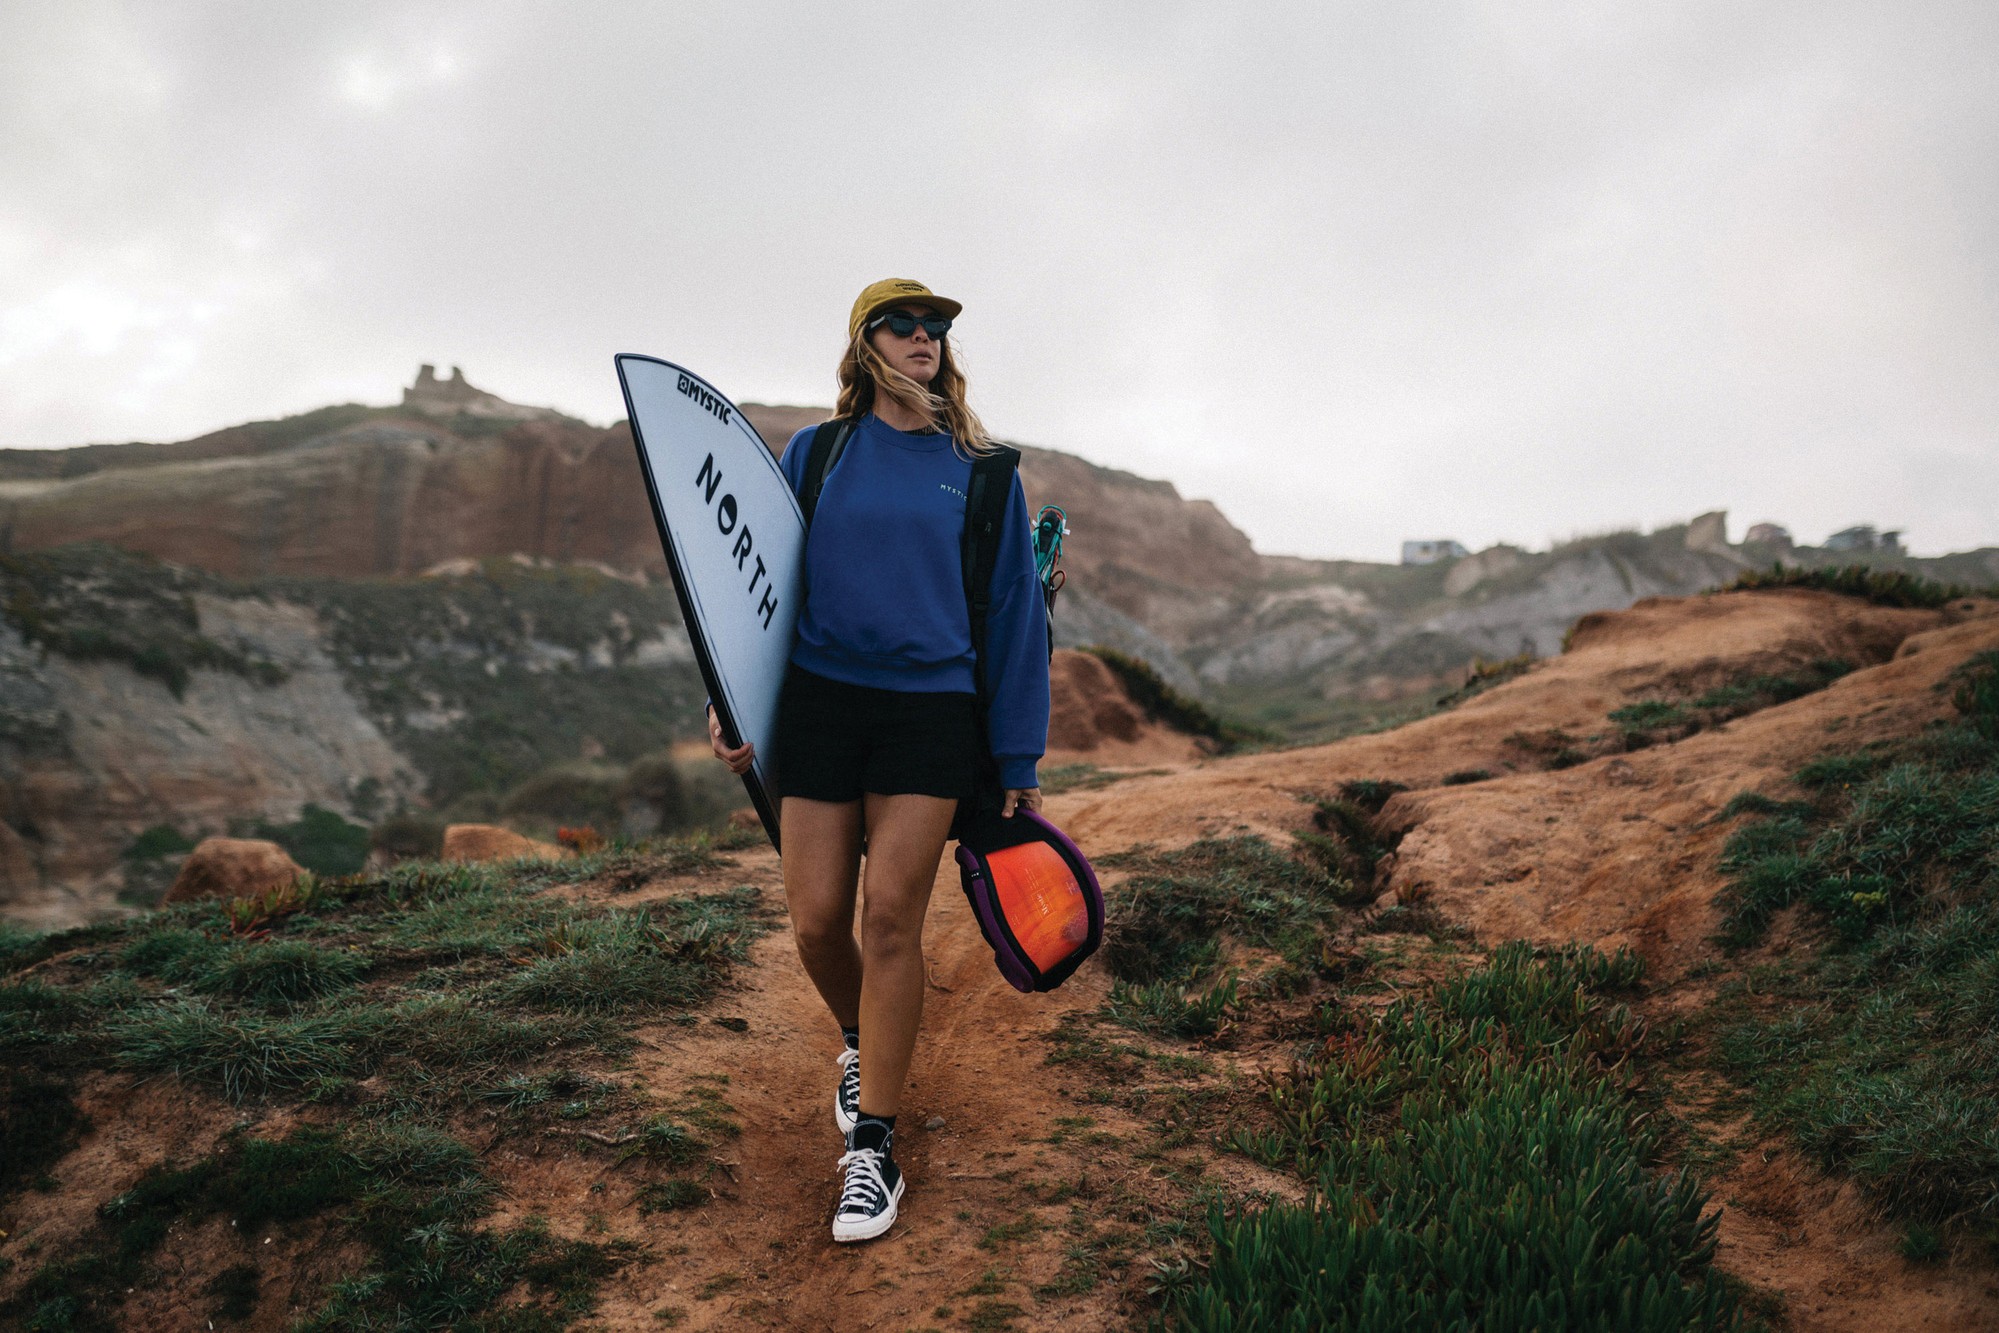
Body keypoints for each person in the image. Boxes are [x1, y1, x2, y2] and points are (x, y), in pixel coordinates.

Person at [707, 279, 1050, 1242]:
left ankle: (873, 1147)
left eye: (935, 327)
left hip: (930, 713)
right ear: (866, 344)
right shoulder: (816, 453)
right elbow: (758, 589)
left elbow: (1015, 614)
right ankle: (863, 1036)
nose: (923, 337)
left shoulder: (982, 472)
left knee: (890, 917)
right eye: (903, 324)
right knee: (818, 921)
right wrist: (729, 702)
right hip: (821, 702)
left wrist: (1016, 752)